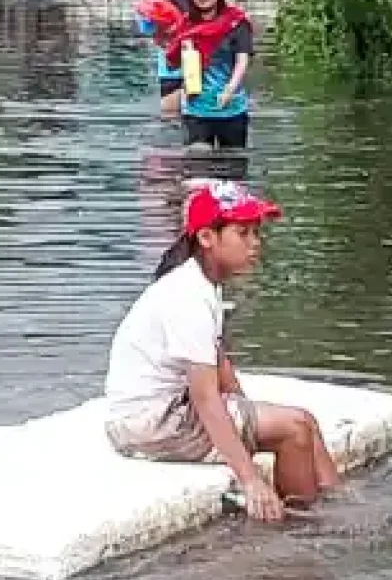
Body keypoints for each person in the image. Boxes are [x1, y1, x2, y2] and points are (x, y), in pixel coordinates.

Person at [103, 181, 341, 522]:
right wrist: (250, 480)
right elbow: (206, 399)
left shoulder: (200, 285)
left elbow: (219, 364)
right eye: (243, 233)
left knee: (303, 421)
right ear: (206, 238)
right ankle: (302, 527)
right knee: (294, 428)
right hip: (153, 428)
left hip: (159, 416)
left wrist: (247, 416)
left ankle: (337, 505)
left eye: (257, 233)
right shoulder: (188, 298)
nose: (255, 244)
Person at [170, 0, 253, 149]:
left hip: (231, 107)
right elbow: (173, 60)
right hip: (196, 109)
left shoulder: (236, 22)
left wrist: (230, 89)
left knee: (233, 163)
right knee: (198, 161)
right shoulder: (186, 24)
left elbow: (242, 60)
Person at [135, 0, 199, 115]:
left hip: (202, 59)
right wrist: (154, 26)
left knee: (199, 111)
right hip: (170, 62)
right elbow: (144, 26)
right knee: (170, 113)